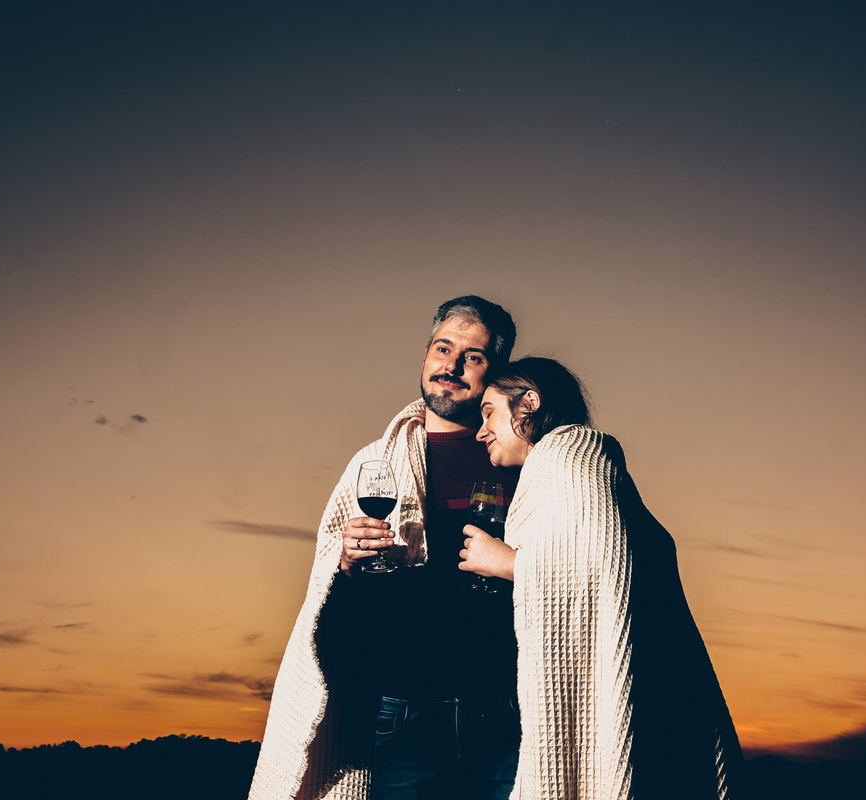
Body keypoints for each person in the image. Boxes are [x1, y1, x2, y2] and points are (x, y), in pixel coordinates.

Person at [248, 296, 523, 800]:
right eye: (443, 348)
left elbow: (576, 557)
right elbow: (327, 598)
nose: (452, 365)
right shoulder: (375, 462)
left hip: (510, 710)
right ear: (425, 356)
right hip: (405, 709)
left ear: (497, 371)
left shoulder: (520, 458)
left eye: (474, 356)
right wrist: (346, 561)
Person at [461, 356, 744, 799]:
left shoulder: (570, 458)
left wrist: (508, 563)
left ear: (528, 404)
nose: (481, 431)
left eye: (489, 412)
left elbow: (609, 564)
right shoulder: (565, 467)